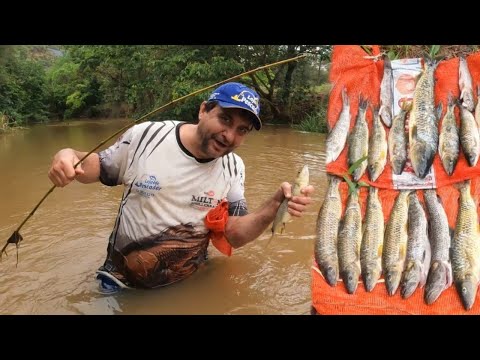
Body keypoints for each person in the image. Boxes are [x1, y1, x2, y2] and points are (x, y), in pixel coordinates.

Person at [48, 82, 315, 292]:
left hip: (189, 280)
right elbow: (97, 168)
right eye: (225, 119)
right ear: (203, 110)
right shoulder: (148, 136)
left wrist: (275, 205)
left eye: (242, 130)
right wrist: (69, 154)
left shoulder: (234, 167)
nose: (230, 136)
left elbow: (233, 234)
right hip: (119, 283)